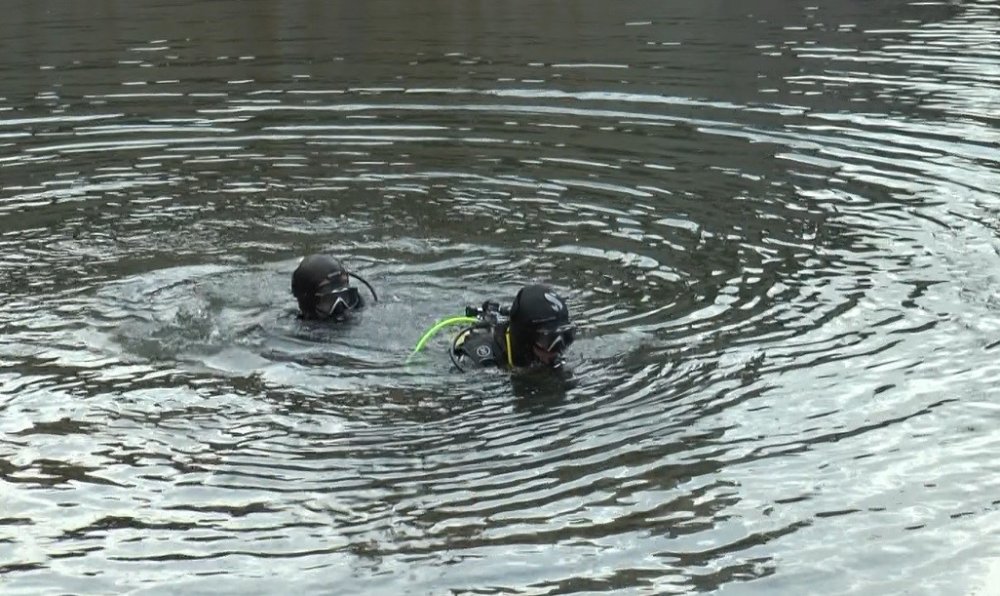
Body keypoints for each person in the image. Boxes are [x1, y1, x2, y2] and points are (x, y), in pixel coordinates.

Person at [451, 284, 575, 370]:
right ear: (525, 339)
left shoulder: (546, 356)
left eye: (566, 336)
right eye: (550, 341)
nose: (559, 350)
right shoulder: (484, 363)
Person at [291, 254, 378, 321]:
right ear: (307, 304)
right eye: (328, 301)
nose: (341, 310)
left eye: (345, 297)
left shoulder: (365, 312)